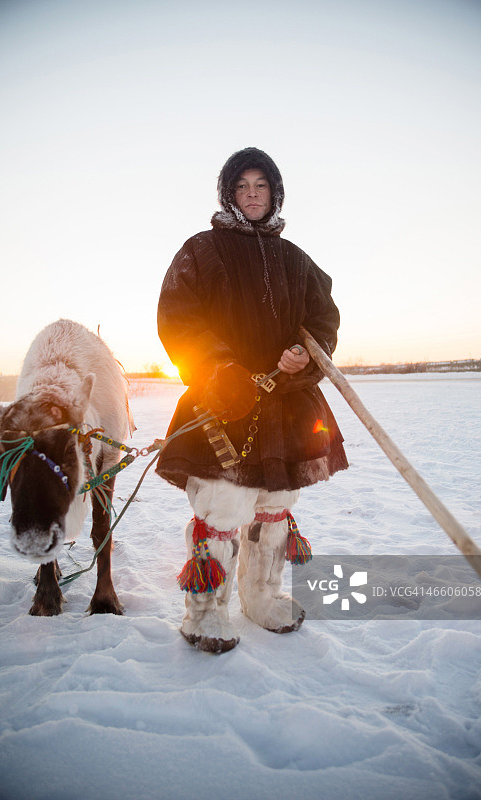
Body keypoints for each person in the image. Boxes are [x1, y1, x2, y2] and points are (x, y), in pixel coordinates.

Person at [156, 147, 348, 653]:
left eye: (261, 186)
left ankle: (261, 597)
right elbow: (178, 318)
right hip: (223, 405)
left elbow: (322, 320)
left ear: (275, 193)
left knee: (275, 505)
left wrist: (302, 356)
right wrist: (219, 368)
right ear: (229, 194)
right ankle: (206, 610)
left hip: (286, 407)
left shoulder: (296, 260)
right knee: (223, 505)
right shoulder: (201, 251)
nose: (252, 195)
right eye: (243, 187)